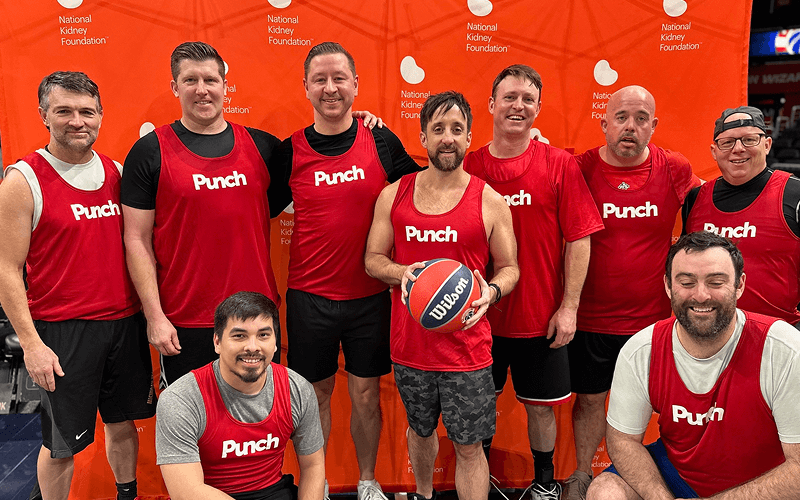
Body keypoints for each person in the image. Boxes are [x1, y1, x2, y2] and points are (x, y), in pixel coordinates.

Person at [272, 41, 420, 500]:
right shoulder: (289, 152)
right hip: (310, 298)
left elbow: (428, 192)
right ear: (306, 88)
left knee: (365, 396)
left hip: (371, 297)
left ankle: (368, 480)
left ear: (355, 85)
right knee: (312, 398)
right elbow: (245, 207)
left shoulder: (380, 140)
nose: (330, 88)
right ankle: (317, 481)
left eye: (339, 78)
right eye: (320, 79)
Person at [0, 71, 155, 500]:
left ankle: (128, 495)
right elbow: (6, 270)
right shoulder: (22, 180)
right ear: (43, 116)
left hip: (124, 326)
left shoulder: (116, 172)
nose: (76, 120)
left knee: (123, 425)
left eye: (87, 111)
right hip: (62, 332)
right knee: (61, 445)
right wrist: (32, 345)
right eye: (63, 110)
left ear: (101, 116)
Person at [365, 91, 519, 500]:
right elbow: (372, 260)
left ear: (469, 138)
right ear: (423, 138)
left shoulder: (489, 200)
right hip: (410, 348)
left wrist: (493, 290)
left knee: (469, 447)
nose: (447, 138)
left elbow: (510, 268)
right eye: (438, 129)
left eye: (456, 129)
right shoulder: (394, 194)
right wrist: (402, 273)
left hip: (467, 352)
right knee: (419, 430)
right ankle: (423, 494)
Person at [463, 64, 603, 500]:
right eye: (509, 97)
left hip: (540, 318)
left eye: (527, 99)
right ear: (491, 105)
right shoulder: (469, 165)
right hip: (477, 318)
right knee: (479, 408)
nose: (517, 106)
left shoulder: (558, 163)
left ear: (538, 109)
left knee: (541, 409)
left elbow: (579, 238)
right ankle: (477, 483)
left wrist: (569, 307)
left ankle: (544, 485)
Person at [122, 41, 289, 387]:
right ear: (175, 87)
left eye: (211, 80)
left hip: (256, 320)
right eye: (190, 80)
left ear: (225, 86)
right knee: (190, 430)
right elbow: (136, 238)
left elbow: (325, 151)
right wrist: (155, 316)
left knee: (255, 429)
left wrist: (363, 122)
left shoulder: (264, 147)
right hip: (185, 322)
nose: (202, 90)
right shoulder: (149, 151)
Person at [586, 231, 800, 500]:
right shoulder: (641, 350)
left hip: (761, 484)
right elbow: (623, 441)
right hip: (678, 477)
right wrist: (660, 496)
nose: (701, 296)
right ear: (668, 285)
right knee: (606, 493)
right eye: (687, 282)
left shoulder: (785, 349)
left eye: (716, 282)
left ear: (740, 285)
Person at [564, 85, 696, 499]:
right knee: (589, 401)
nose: (630, 127)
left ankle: (653, 481)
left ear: (653, 126)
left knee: (659, 409)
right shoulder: (578, 168)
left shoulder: (674, 168)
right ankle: (584, 474)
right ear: (603, 123)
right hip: (590, 319)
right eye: (621, 117)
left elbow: (714, 202)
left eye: (641, 119)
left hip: (654, 323)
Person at [156, 291, 325, 500]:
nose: (252, 347)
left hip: (273, 492)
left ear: (274, 342)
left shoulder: (297, 389)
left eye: (263, 335)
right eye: (239, 336)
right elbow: (187, 492)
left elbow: (313, 466)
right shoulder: (181, 399)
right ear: (217, 342)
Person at [683, 105, 800, 326]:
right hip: (710, 336)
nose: (738, 149)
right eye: (727, 142)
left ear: (767, 145)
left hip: (779, 337)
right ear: (713, 151)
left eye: (749, 140)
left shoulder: (794, 195)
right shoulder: (695, 199)